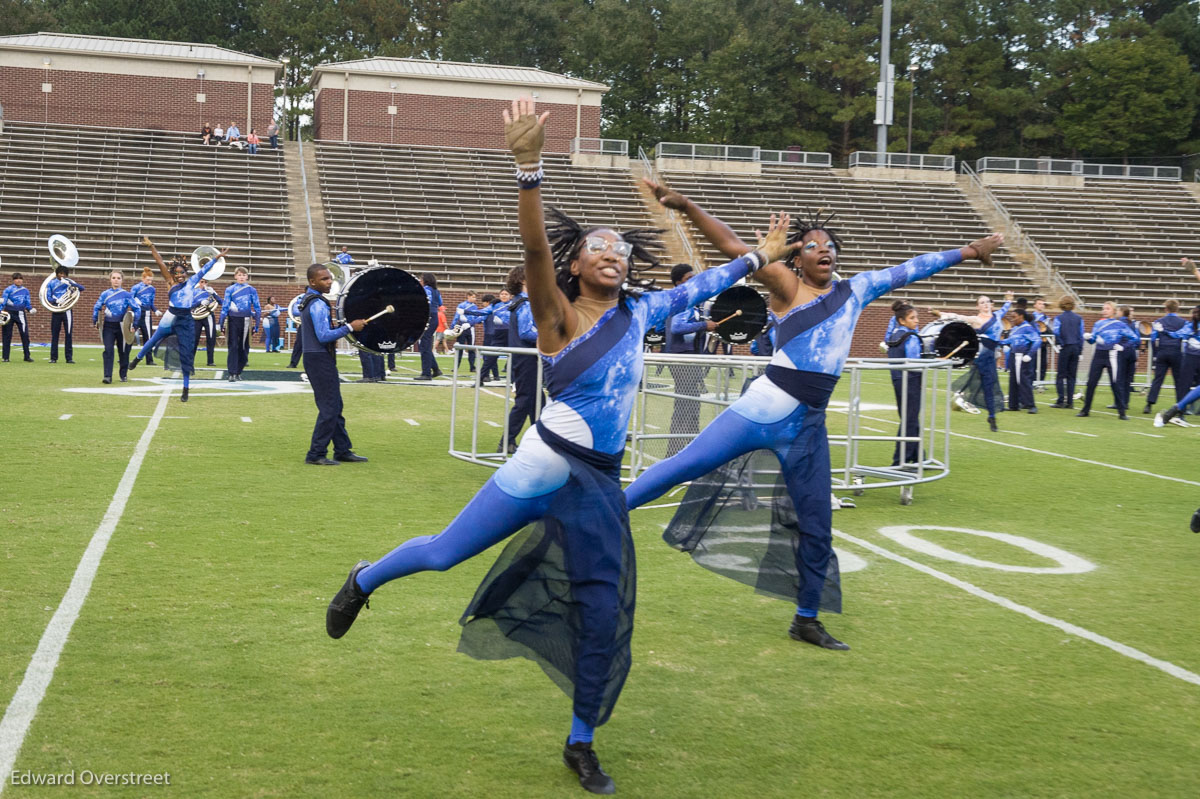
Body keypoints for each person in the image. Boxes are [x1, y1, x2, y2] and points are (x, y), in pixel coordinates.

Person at [324, 96, 788, 795]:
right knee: (446, 551)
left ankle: (581, 741)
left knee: (603, 609)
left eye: (623, 249)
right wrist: (529, 168)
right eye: (601, 246)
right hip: (543, 464)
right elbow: (537, 249)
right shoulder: (557, 312)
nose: (615, 254)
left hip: (598, 484)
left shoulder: (643, 311)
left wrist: (758, 257)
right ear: (578, 265)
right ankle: (364, 578)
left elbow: (718, 281)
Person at [628, 178, 1003, 651]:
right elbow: (732, 245)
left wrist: (969, 250)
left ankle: (806, 618)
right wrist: (685, 205)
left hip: (807, 427)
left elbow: (913, 267)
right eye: (811, 246)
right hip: (762, 408)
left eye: (828, 246)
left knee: (817, 524)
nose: (822, 251)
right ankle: (602, 515)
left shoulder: (857, 289)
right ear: (797, 259)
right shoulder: (784, 284)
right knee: (682, 467)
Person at [130, 238, 226, 402]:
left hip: (186, 319)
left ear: (186, 273)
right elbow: (159, 262)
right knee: (154, 339)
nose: (180, 275)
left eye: (183, 273)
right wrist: (152, 246)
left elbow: (205, 269)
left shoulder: (192, 282)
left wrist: (217, 258)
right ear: (173, 273)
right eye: (177, 273)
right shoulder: (169, 282)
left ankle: (186, 389)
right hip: (171, 317)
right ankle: (137, 359)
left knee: (186, 354)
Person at [297, 263, 369, 464]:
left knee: (334, 405)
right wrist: (349, 327)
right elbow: (323, 336)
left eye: (329, 278)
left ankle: (342, 449)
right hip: (319, 357)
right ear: (313, 282)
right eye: (324, 279)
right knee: (330, 407)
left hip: (316, 357)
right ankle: (316, 453)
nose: (330, 282)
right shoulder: (318, 303)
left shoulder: (309, 299)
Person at [934, 292, 1013, 431]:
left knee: (989, 386)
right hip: (982, 356)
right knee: (984, 384)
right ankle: (965, 398)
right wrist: (941, 314)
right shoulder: (976, 319)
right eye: (982, 302)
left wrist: (1008, 300)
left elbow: (1005, 308)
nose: (985, 304)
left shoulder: (997, 315)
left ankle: (991, 415)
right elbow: (958, 317)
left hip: (991, 356)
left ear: (991, 304)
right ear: (977, 306)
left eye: (987, 301)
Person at [664, 263, 717, 456]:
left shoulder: (680, 300)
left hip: (684, 357)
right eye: (688, 278)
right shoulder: (682, 301)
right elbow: (676, 327)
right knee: (687, 404)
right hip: (682, 359)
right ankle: (679, 450)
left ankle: (684, 448)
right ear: (678, 282)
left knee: (689, 404)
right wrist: (704, 325)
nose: (693, 281)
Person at [498, 266, 539, 451]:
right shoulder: (526, 304)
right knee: (525, 401)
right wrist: (547, 336)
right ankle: (506, 441)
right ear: (523, 281)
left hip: (523, 356)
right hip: (526, 357)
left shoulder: (518, 302)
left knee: (538, 403)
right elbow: (526, 332)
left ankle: (541, 441)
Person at [1076, 300, 1139, 419]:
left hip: (1112, 355)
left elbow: (1135, 338)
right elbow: (1093, 340)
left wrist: (1122, 347)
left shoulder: (1120, 324)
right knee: (1091, 383)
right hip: (1099, 354)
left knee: (1115, 384)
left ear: (1114, 311)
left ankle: (1122, 412)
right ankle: (1085, 410)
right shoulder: (1098, 324)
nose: (1104, 310)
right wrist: (1088, 338)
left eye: (1107, 308)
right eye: (1103, 308)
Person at [886, 303, 924, 465]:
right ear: (902, 321)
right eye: (912, 318)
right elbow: (915, 363)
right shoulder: (911, 337)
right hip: (911, 381)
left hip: (897, 379)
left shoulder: (892, 336)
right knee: (910, 419)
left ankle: (918, 456)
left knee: (909, 417)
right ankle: (900, 459)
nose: (916, 321)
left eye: (916, 317)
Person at [91, 270, 141, 383]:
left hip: (123, 326)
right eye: (114, 278)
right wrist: (95, 320)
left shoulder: (127, 295)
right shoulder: (105, 294)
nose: (116, 280)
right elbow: (97, 306)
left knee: (123, 351)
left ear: (122, 280)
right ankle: (107, 376)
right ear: (110, 279)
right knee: (108, 350)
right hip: (108, 326)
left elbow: (137, 309)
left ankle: (123, 374)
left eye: (118, 278)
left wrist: (135, 323)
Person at [219, 266, 261, 381]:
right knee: (232, 346)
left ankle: (238, 371)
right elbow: (225, 307)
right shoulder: (230, 289)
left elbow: (257, 307)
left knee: (244, 347)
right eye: (239, 275)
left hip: (246, 320)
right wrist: (221, 323)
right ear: (235, 276)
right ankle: (232, 373)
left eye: (243, 275)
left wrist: (257, 324)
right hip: (232, 319)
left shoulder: (252, 290)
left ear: (247, 277)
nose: (241, 277)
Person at [1146, 299, 1187, 414]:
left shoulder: (1159, 321)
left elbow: (1153, 339)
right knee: (1178, 380)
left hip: (1163, 351)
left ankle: (1149, 403)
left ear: (1166, 309)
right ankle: (1180, 406)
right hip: (1176, 352)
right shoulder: (1183, 322)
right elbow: (1184, 337)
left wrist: (1155, 353)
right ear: (1177, 309)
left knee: (1158, 379)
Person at [999, 308, 1040, 413]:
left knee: (1023, 380)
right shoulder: (1016, 328)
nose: (1012, 319)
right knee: (1013, 380)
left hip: (1022, 356)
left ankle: (1031, 405)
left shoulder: (1028, 328)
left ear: (1021, 316)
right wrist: (998, 342)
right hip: (1014, 355)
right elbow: (1010, 340)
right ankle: (1013, 404)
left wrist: (1030, 354)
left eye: (1014, 317)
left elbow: (1037, 341)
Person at [47, 265, 85, 364]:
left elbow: (82, 288)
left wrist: (70, 283)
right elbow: (48, 297)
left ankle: (69, 358)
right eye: (60, 273)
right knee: (55, 335)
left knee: (68, 335)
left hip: (67, 310)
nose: (62, 275)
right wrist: (56, 300)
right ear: (57, 274)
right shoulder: (51, 283)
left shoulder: (69, 282)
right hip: (56, 310)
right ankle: (53, 358)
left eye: (64, 274)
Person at [1051, 296, 1084, 408]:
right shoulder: (1079, 318)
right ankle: (1070, 402)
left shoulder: (1058, 318)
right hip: (1075, 347)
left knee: (1061, 375)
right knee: (1072, 376)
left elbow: (1056, 332)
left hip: (1065, 347)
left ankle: (1061, 400)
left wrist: (1060, 343)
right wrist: (1080, 350)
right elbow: (1081, 335)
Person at [415, 272, 443, 380]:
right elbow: (440, 303)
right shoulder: (436, 290)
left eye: (421, 279)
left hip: (428, 316)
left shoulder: (426, 289)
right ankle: (435, 369)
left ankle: (426, 373)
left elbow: (427, 302)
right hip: (434, 316)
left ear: (425, 280)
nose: (420, 281)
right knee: (425, 345)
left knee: (424, 346)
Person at [2, 272, 34, 362]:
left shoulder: (26, 291)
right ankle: (5, 357)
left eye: (20, 278)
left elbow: (27, 303)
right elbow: (3, 302)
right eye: (16, 278)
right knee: (7, 335)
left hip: (20, 313)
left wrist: (30, 309)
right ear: (13, 280)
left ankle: (27, 356)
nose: (19, 280)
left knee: (25, 335)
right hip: (8, 313)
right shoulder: (8, 289)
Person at [452, 291, 481, 373]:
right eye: (473, 297)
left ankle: (472, 367)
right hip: (461, 328)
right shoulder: (461, 305)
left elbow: (476, 316)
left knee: (471, 348)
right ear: (468, 296)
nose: (474, 299)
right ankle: (456, 366)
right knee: (459, 348)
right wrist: (452, 327)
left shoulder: (475, 306)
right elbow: (456, 316)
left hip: (470, 328)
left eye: (475, 297)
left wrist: (477, 321)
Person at [194, 279, 219, 366]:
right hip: (197, 317)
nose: (203, 284)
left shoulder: (210, 291)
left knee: (211, 338)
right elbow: (190, 305)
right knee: (194, 339)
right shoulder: (194, 291)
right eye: (201, 282)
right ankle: (190, 360)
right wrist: (199, 302)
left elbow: (221, 302)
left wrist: (214, 294)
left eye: (205, 282)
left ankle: (210, 361)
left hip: (208, 316)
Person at [1031, 297, 1051, 382]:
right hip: (1034, 343)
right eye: (1039, 303)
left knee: (1043, 363)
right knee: (1033, 363)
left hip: (1043, 343)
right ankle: (1033, 380)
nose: (1041, 305)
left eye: (1043, 304)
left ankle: (1041, 381)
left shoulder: (1046, 317)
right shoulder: (1031, 317)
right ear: (1035, 305)